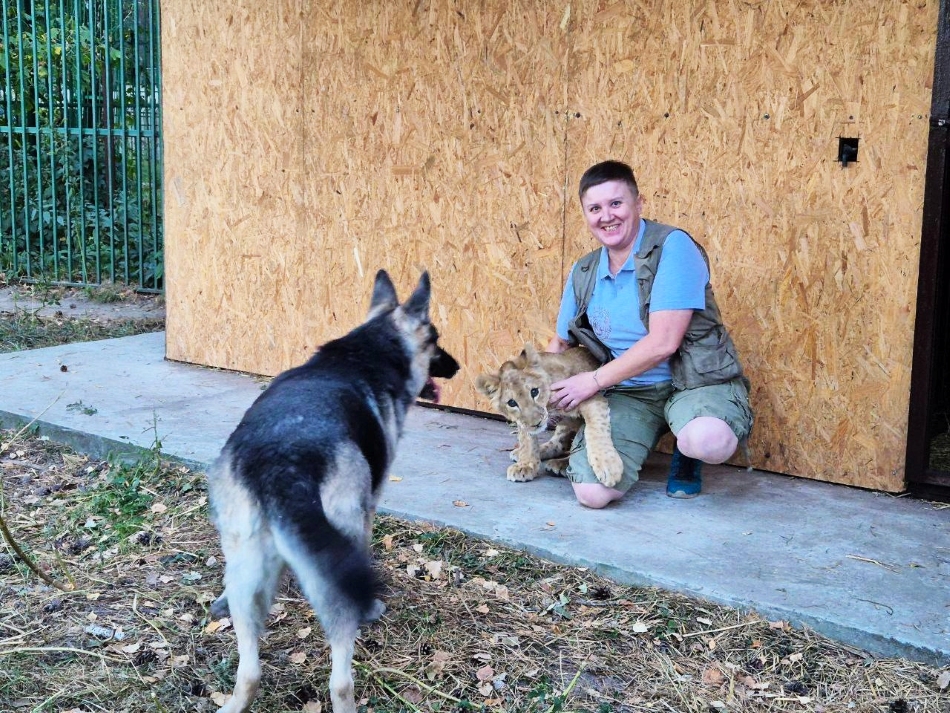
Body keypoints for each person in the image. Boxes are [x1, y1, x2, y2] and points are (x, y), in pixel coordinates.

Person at [547, 160, 752, 509]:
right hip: (630, 392)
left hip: (693, 381)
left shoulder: (671, 247)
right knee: (594, 494)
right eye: (594, 208)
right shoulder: (584, 270)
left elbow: (663, 343)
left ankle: (686, 451)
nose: (606, 216)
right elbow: (560, 343)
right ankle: (640, 435)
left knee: (707, 440)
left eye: (616, 203)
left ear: (638, 203)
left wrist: (592, 381)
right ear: (585, 214)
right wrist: (543, 391)